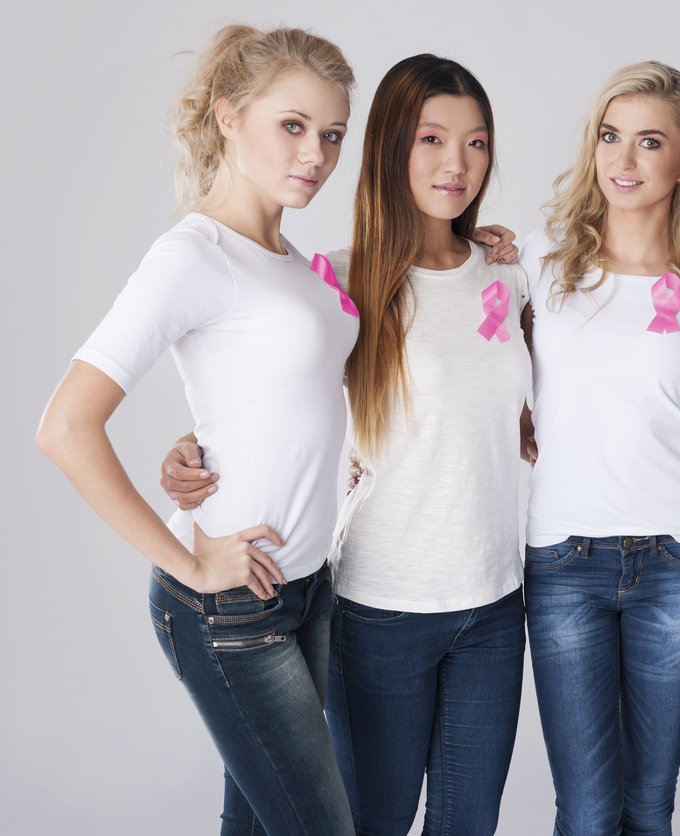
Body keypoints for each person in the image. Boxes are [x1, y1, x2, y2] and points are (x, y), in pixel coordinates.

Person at [160, 55, 526, 836]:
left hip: (495, 605)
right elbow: (270, 396)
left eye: (477, 142)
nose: (456, 164)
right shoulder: (337, 280)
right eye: (431, 139)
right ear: (391, 146)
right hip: (379, 608)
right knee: (371, 823)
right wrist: (190, 450)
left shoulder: (507, 275)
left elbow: (510, 406)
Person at [36, 25, 359, 835]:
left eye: (331, 134)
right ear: (227, 115)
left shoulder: (289, 261)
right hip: (229, 608)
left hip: (309, 585)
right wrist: (185, 558)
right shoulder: (193, 254)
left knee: (254, 823)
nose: (315, 154)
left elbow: (270, 391)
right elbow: (66, 426)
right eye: (292, 126)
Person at [518, 60, 680, 835]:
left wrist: (660, 418)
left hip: (675, 560)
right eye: (611, 137)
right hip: (564, 558)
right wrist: (521, 421)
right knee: (587, 809)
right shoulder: (542, 260)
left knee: (649, 807)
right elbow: (473, 364)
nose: (623, 160)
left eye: (648, 142)